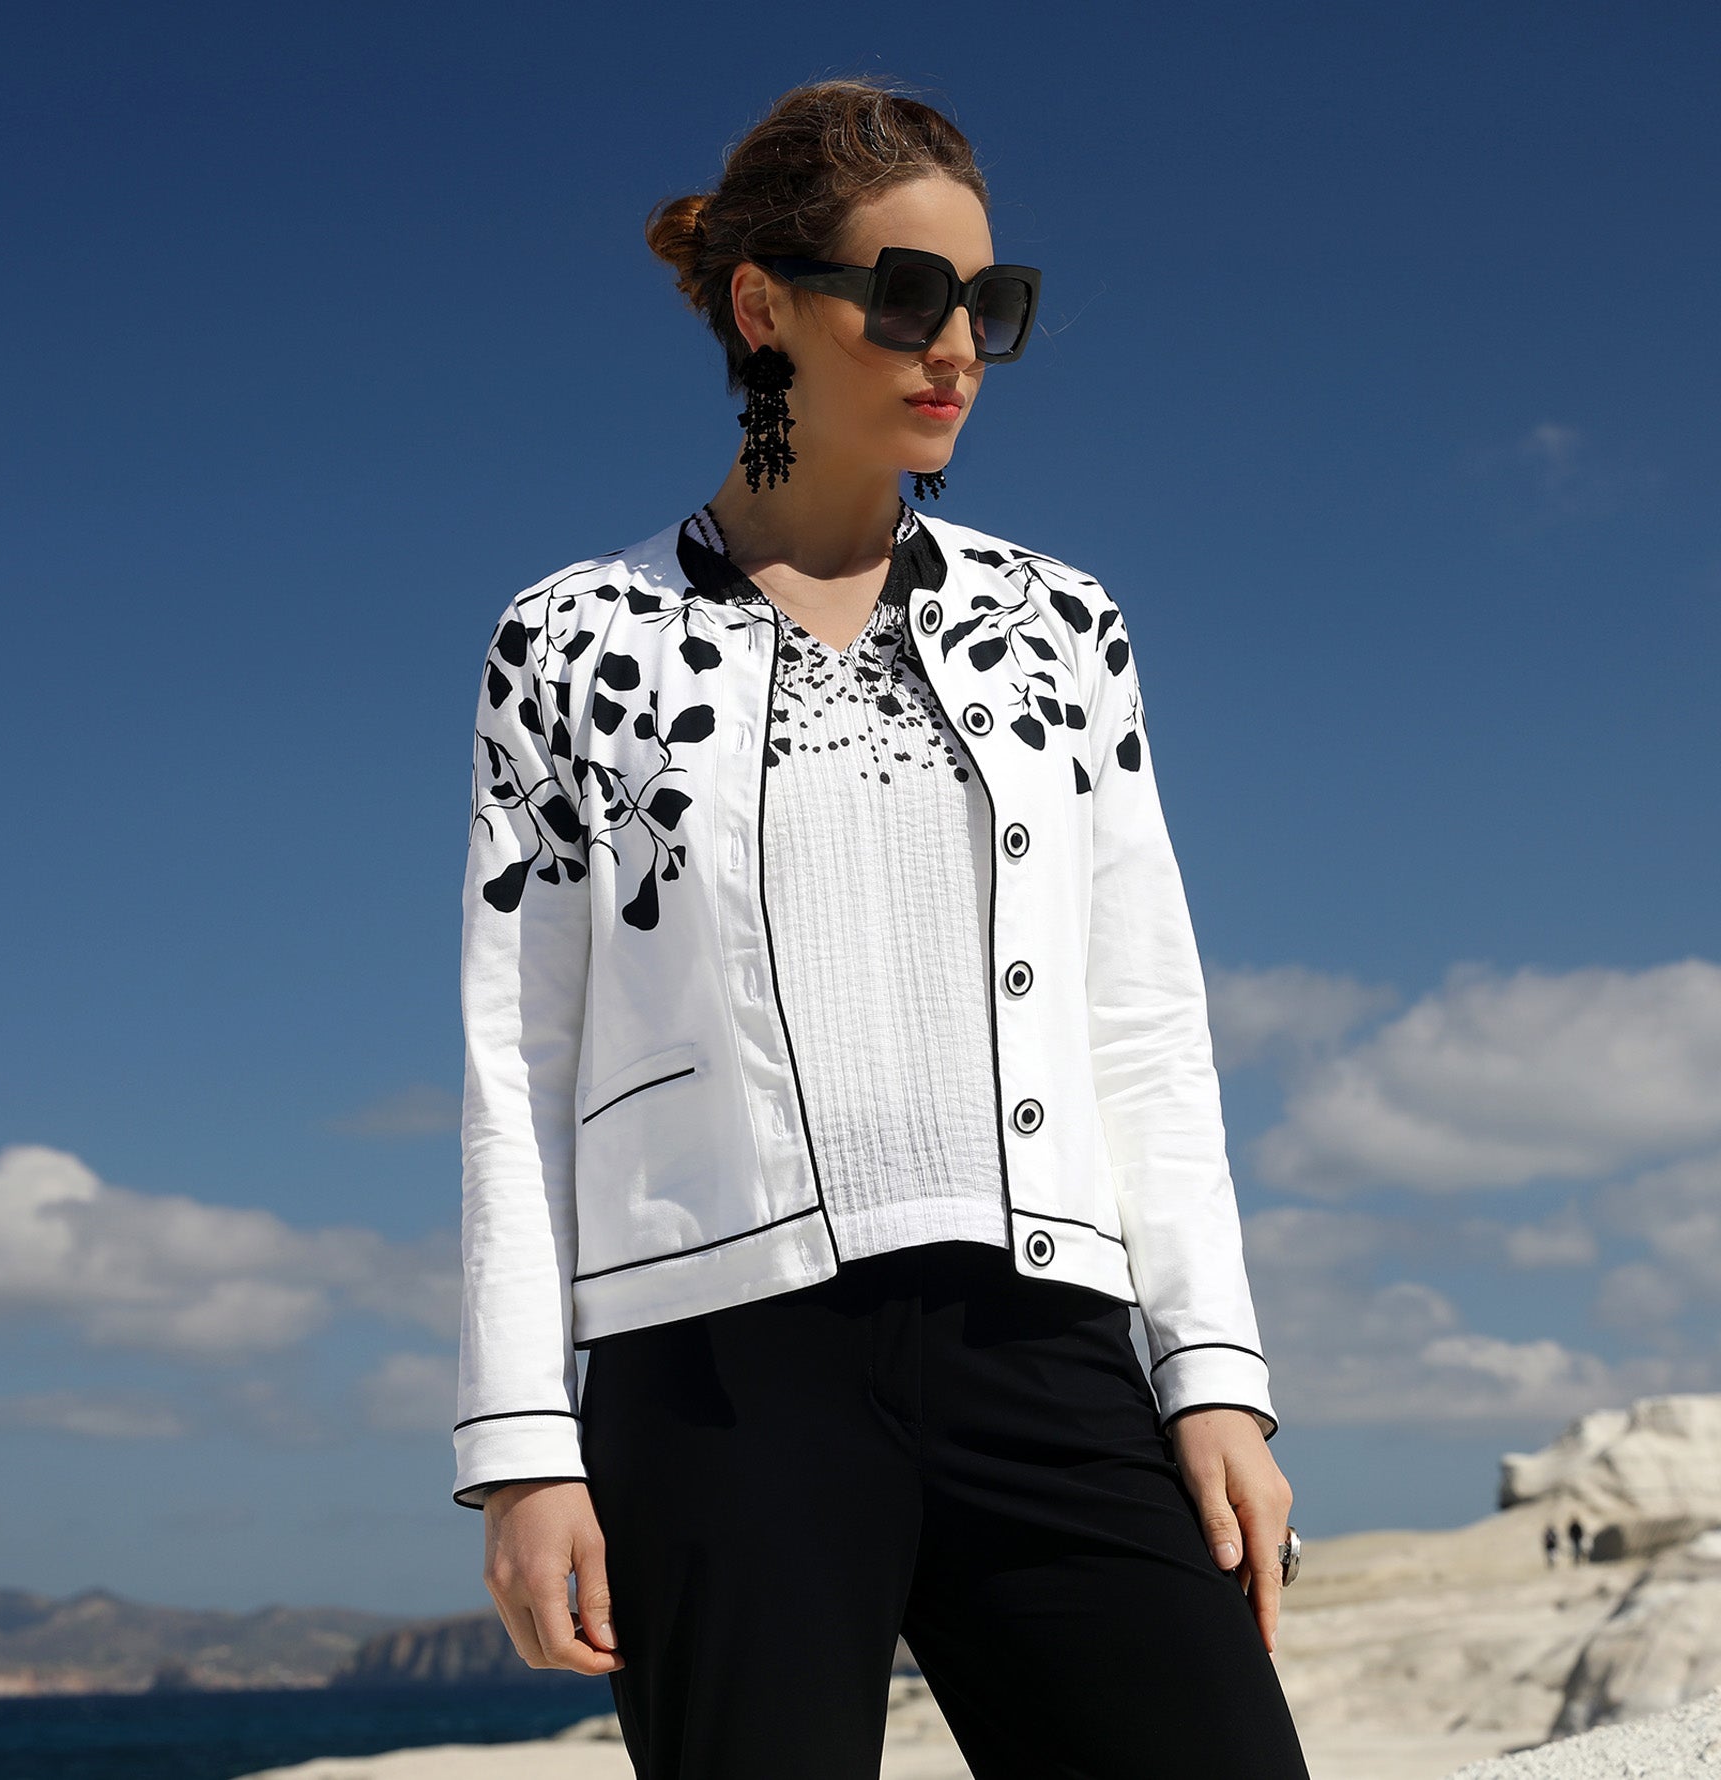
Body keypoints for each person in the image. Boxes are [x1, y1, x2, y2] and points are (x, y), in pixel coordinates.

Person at [450, 75, 1311, 1779]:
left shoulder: (1059, 624)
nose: (957, 347)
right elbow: (517, 1055)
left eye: (992, 303)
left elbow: (1143, 1019)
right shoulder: (570, 642)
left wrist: (1214, 1368)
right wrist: (522, 1443)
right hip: (713, 1369)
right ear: (762, 308)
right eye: (908, 295)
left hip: (1043, 1338)